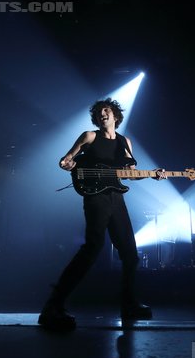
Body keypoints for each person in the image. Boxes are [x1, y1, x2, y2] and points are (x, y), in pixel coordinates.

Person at [38, 98, 166, 330]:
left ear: (115, 115)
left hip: (116, 198)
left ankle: (129, 304)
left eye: (105, 110)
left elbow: (128, 174)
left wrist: (152, 174)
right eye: (98, 112)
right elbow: (66, 159)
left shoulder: (124, 142)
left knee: (130, 254)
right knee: (92, 248)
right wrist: (66, 163)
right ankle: (53, 305)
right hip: (95, 197)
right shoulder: (89, 136)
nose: (101, 114)